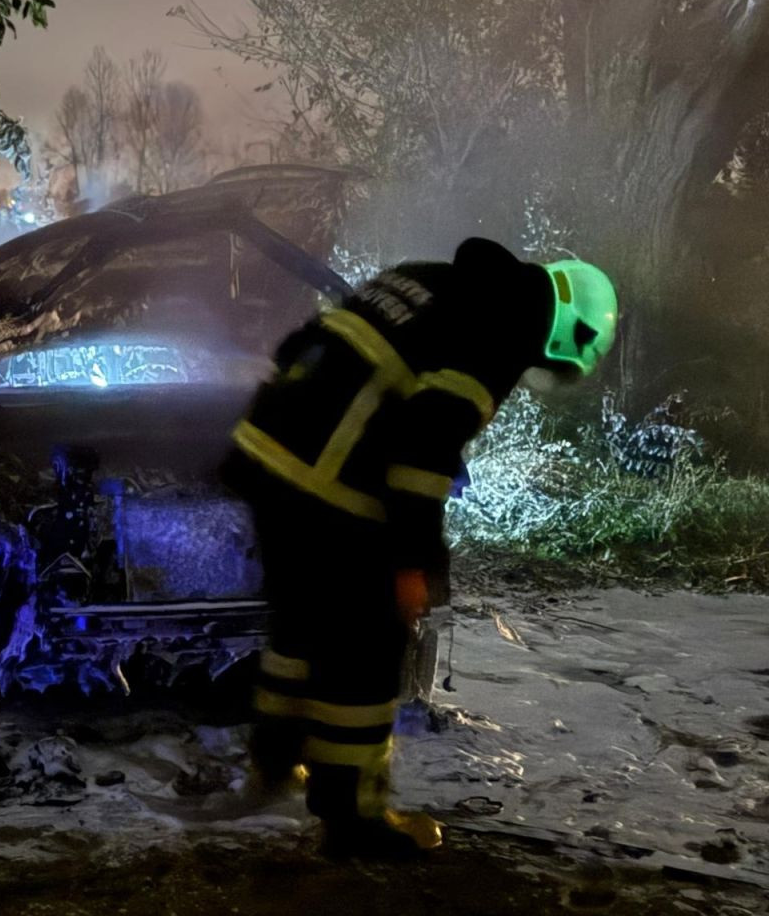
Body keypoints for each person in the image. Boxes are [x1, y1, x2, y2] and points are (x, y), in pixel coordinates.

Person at [223, 237, 618, 857]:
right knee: (366, 645)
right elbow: (423, 457)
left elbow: (301, 342)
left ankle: (275, 760)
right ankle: (352, 820)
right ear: (569, 330)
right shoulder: (502, 327)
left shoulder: (425, 276)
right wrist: (415, 563)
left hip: (265, 453)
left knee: (301, 622)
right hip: (329, 480)